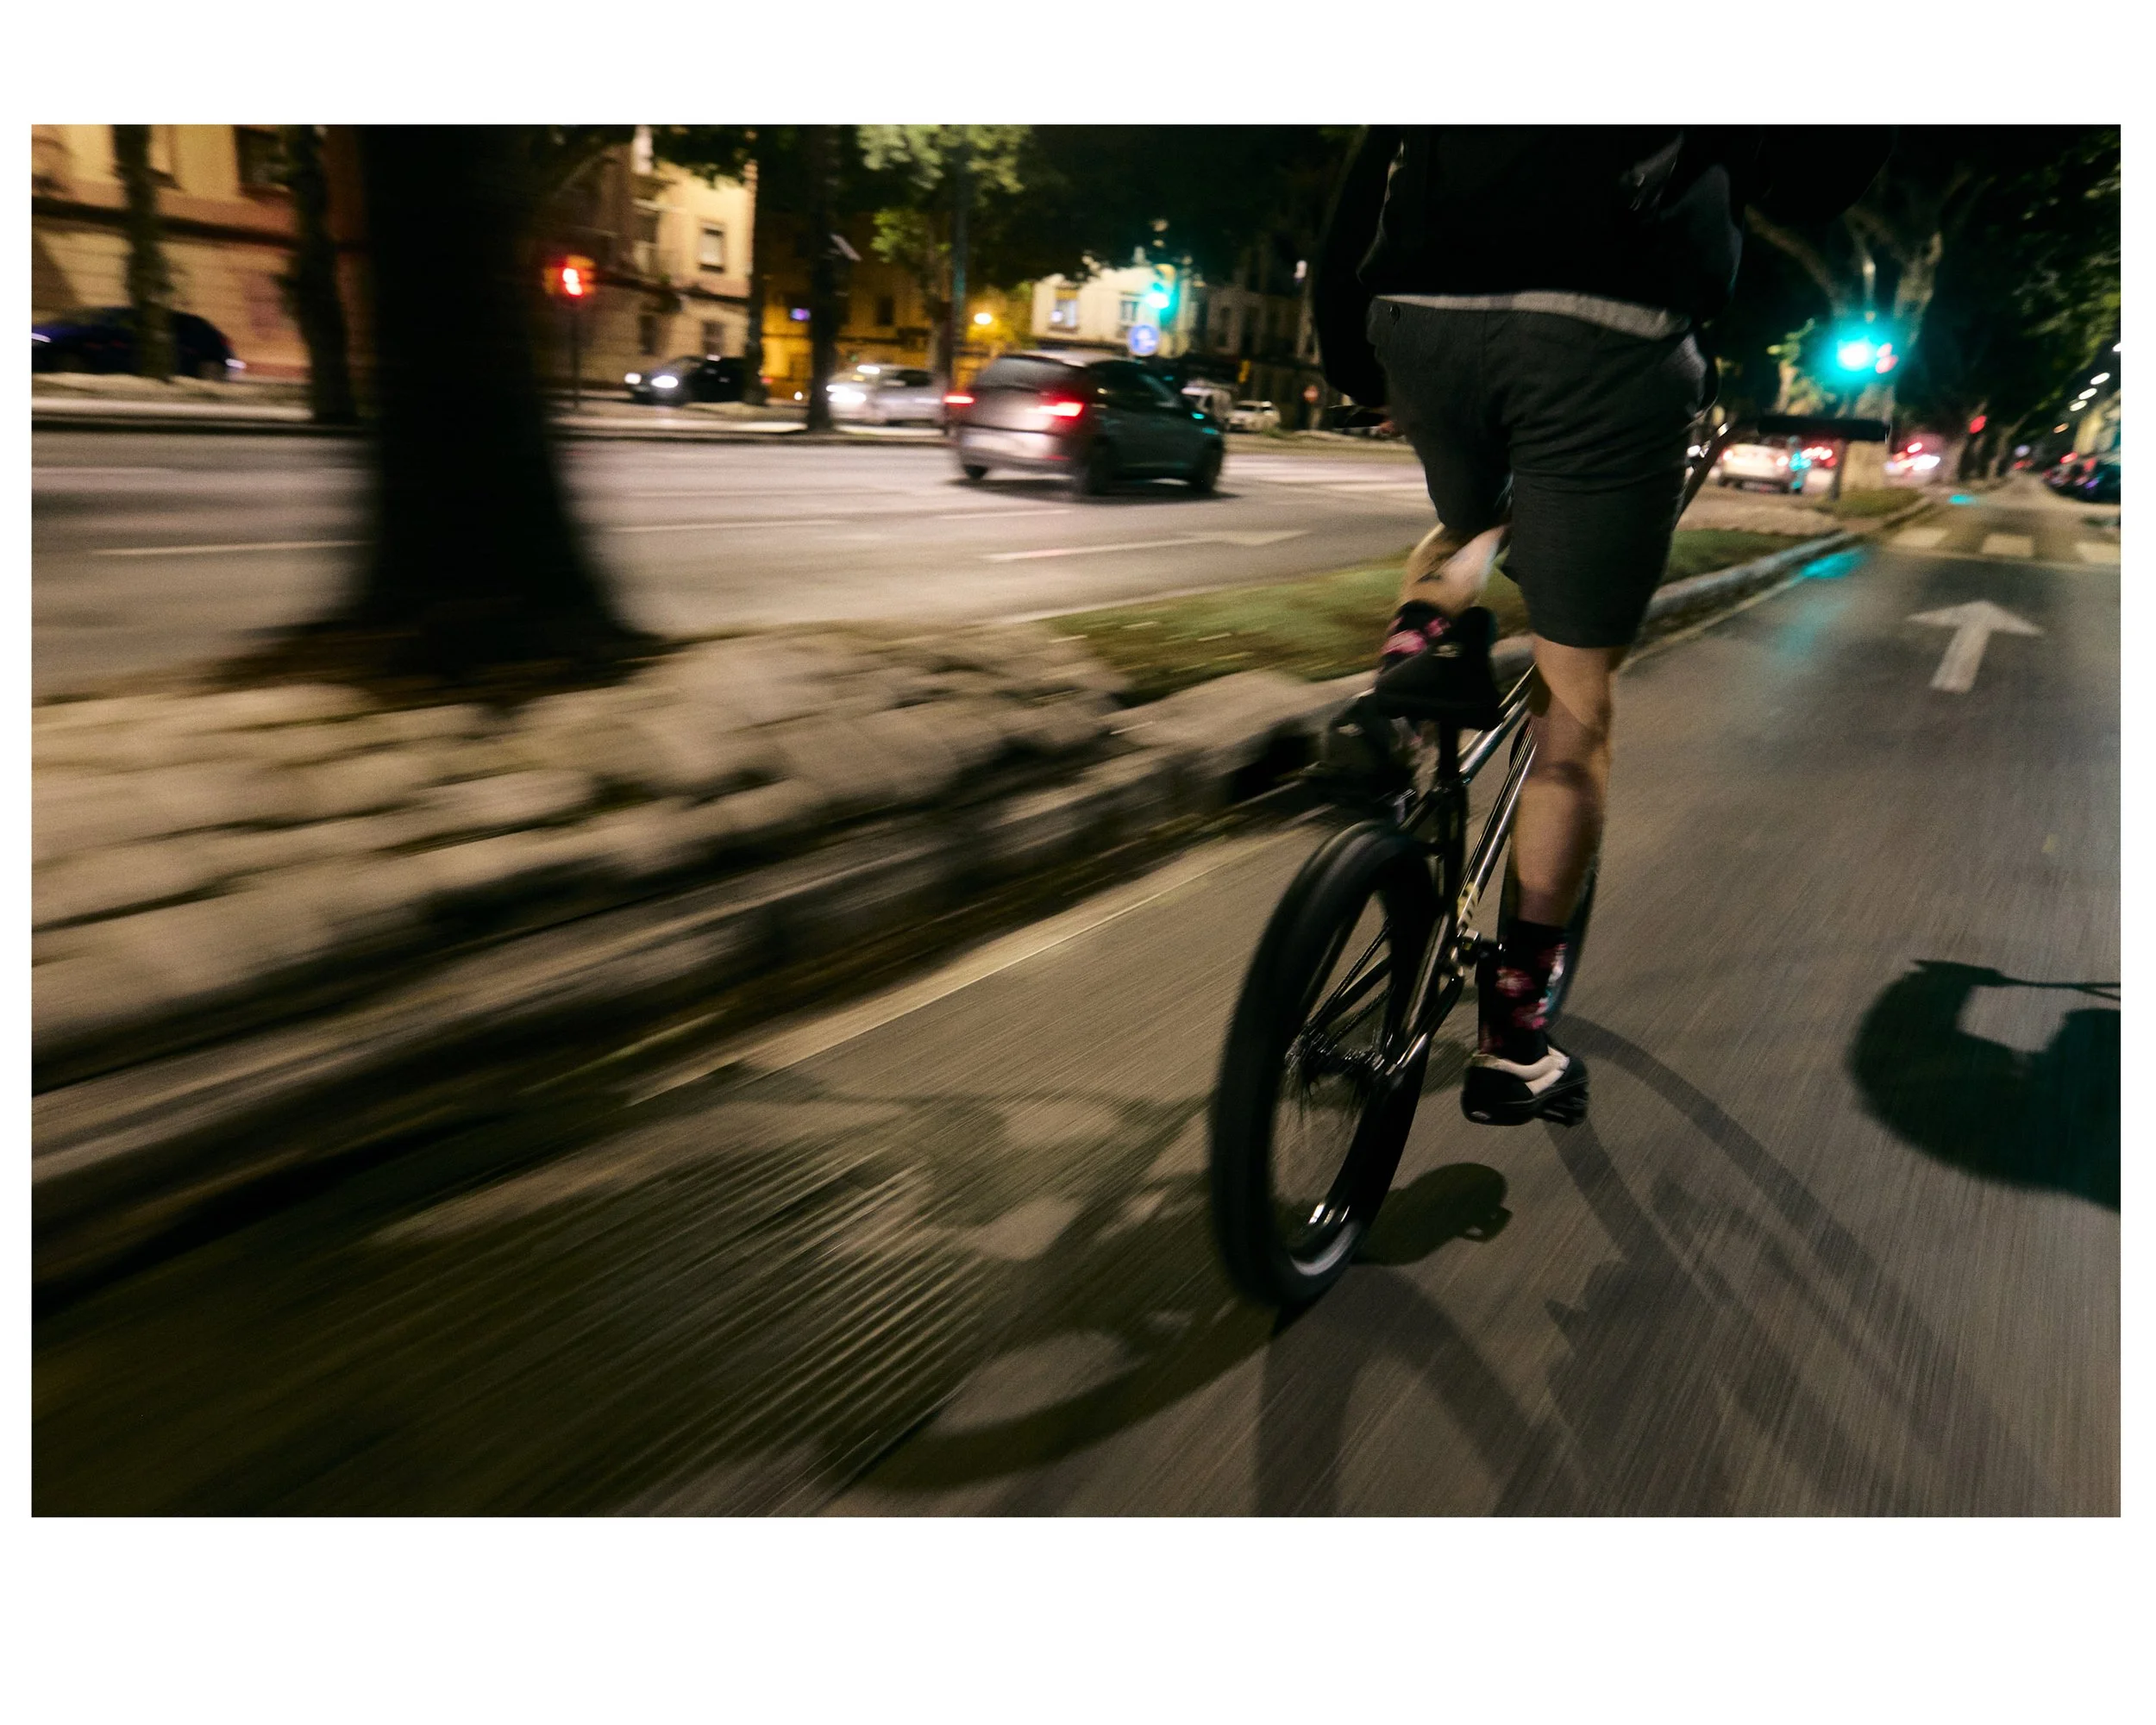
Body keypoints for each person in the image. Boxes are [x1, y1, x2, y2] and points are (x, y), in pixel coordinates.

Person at [1313, 126, 1890, 1127]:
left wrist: (1355, 349)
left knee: (1470, 520)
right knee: (1572, 713)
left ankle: (1398, 685)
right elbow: (1818, 174)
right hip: (1603, 329)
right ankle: (1514, 1036)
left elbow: (1376, 155)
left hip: (1418, 316)